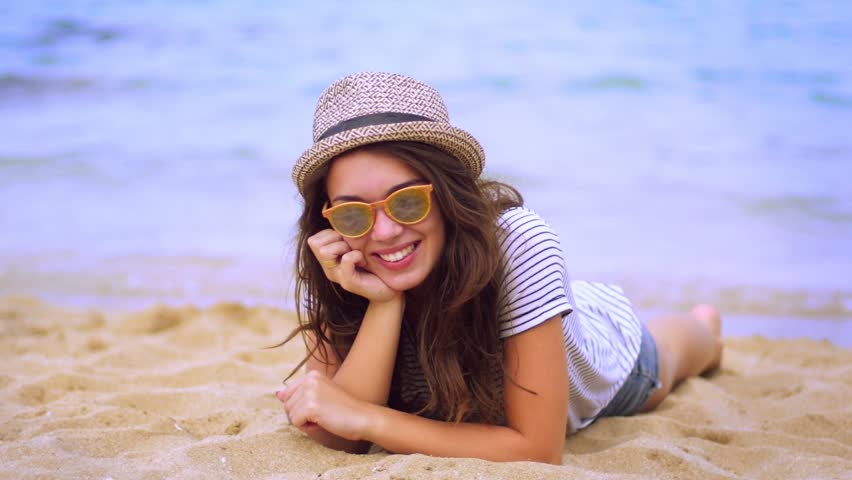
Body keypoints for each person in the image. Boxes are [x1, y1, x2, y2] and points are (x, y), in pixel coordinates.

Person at [275, 72, 722, 464]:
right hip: (531, 314)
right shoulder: (343, 260)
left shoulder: (519, 243)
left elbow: (538, 451)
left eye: (408, 200)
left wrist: (367, 418)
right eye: (354, 212)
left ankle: (708, 328)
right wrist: (384, 304)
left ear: (447, 193)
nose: (385, 232)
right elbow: (341, 438)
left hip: (603, 348)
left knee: (667, 360)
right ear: (329, 216)